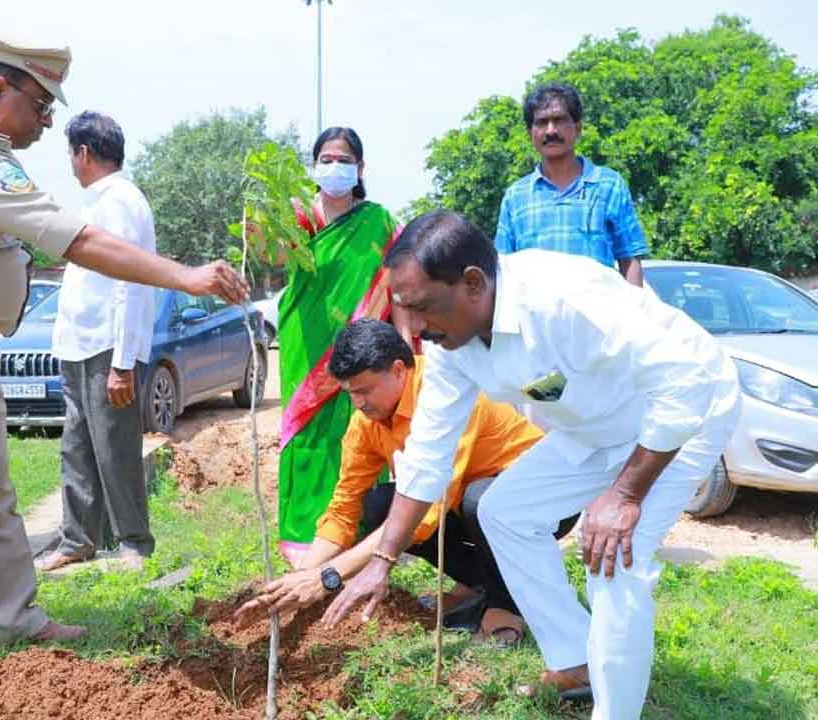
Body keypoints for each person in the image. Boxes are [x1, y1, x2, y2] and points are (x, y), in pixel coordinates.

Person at [0, 32, 246, 688]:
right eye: (40, 105)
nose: (46, 123)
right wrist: (183, 276)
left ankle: (14, 616)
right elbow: (76, 240)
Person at [322, 211, 740, 718]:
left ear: (473, 284)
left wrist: (625, 497)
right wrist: (383, 560)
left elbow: (685, 383)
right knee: (504, 511)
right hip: (595, 424)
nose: (411, 328)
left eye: (422, 307)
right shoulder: (452, 342)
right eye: (402, 309)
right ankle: (578, 658)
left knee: (612, 558)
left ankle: (617, 710)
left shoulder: (563, 299)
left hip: (679, 417)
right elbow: (429, 453)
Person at [236, 319, 577, 643]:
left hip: (542, 501)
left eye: (365, 390)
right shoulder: (366, 422)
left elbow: (423, 513)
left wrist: (329, 577)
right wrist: (300, 578)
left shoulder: (445, 395)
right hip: (464, 502)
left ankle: (507, 605)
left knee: (481, 501)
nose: (358, 403)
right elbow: (344, 510)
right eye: (350, 393)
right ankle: (482, 584)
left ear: (399, 370)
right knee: (380, 505)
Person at [277, 127, 404, 565]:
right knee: (307, 437)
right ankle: (301, 541)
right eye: (326, 159)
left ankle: (358, 544)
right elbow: (273, 259)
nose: (334, 167)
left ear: (360, 168)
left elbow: (397, 289)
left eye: (343, 159)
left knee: (359, 435)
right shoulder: (295, 218)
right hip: (306, 346)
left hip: (363, 355)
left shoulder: (380, 223)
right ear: (315, 167)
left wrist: (406, 349)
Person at [36, 111, 157, 572]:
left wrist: (123, 363)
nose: (69, 161)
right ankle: (78, 539)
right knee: (77, 446)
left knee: (115, 448)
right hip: (79, 346)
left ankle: (133, 542)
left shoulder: (120, 201)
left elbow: (131, 282)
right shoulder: (94, 202)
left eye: (70, 152)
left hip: (107, 348)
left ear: (83, 153)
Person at [494, 82, 648, 287]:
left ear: (577, 127)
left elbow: (630, 261)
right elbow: (502, 272)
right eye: (541, 122)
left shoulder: (608, 185)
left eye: (558, 120)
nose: (550, 130)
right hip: (536, 319)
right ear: (530, 133)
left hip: (598, 317)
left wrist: (633, 315)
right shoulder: (516, 197)